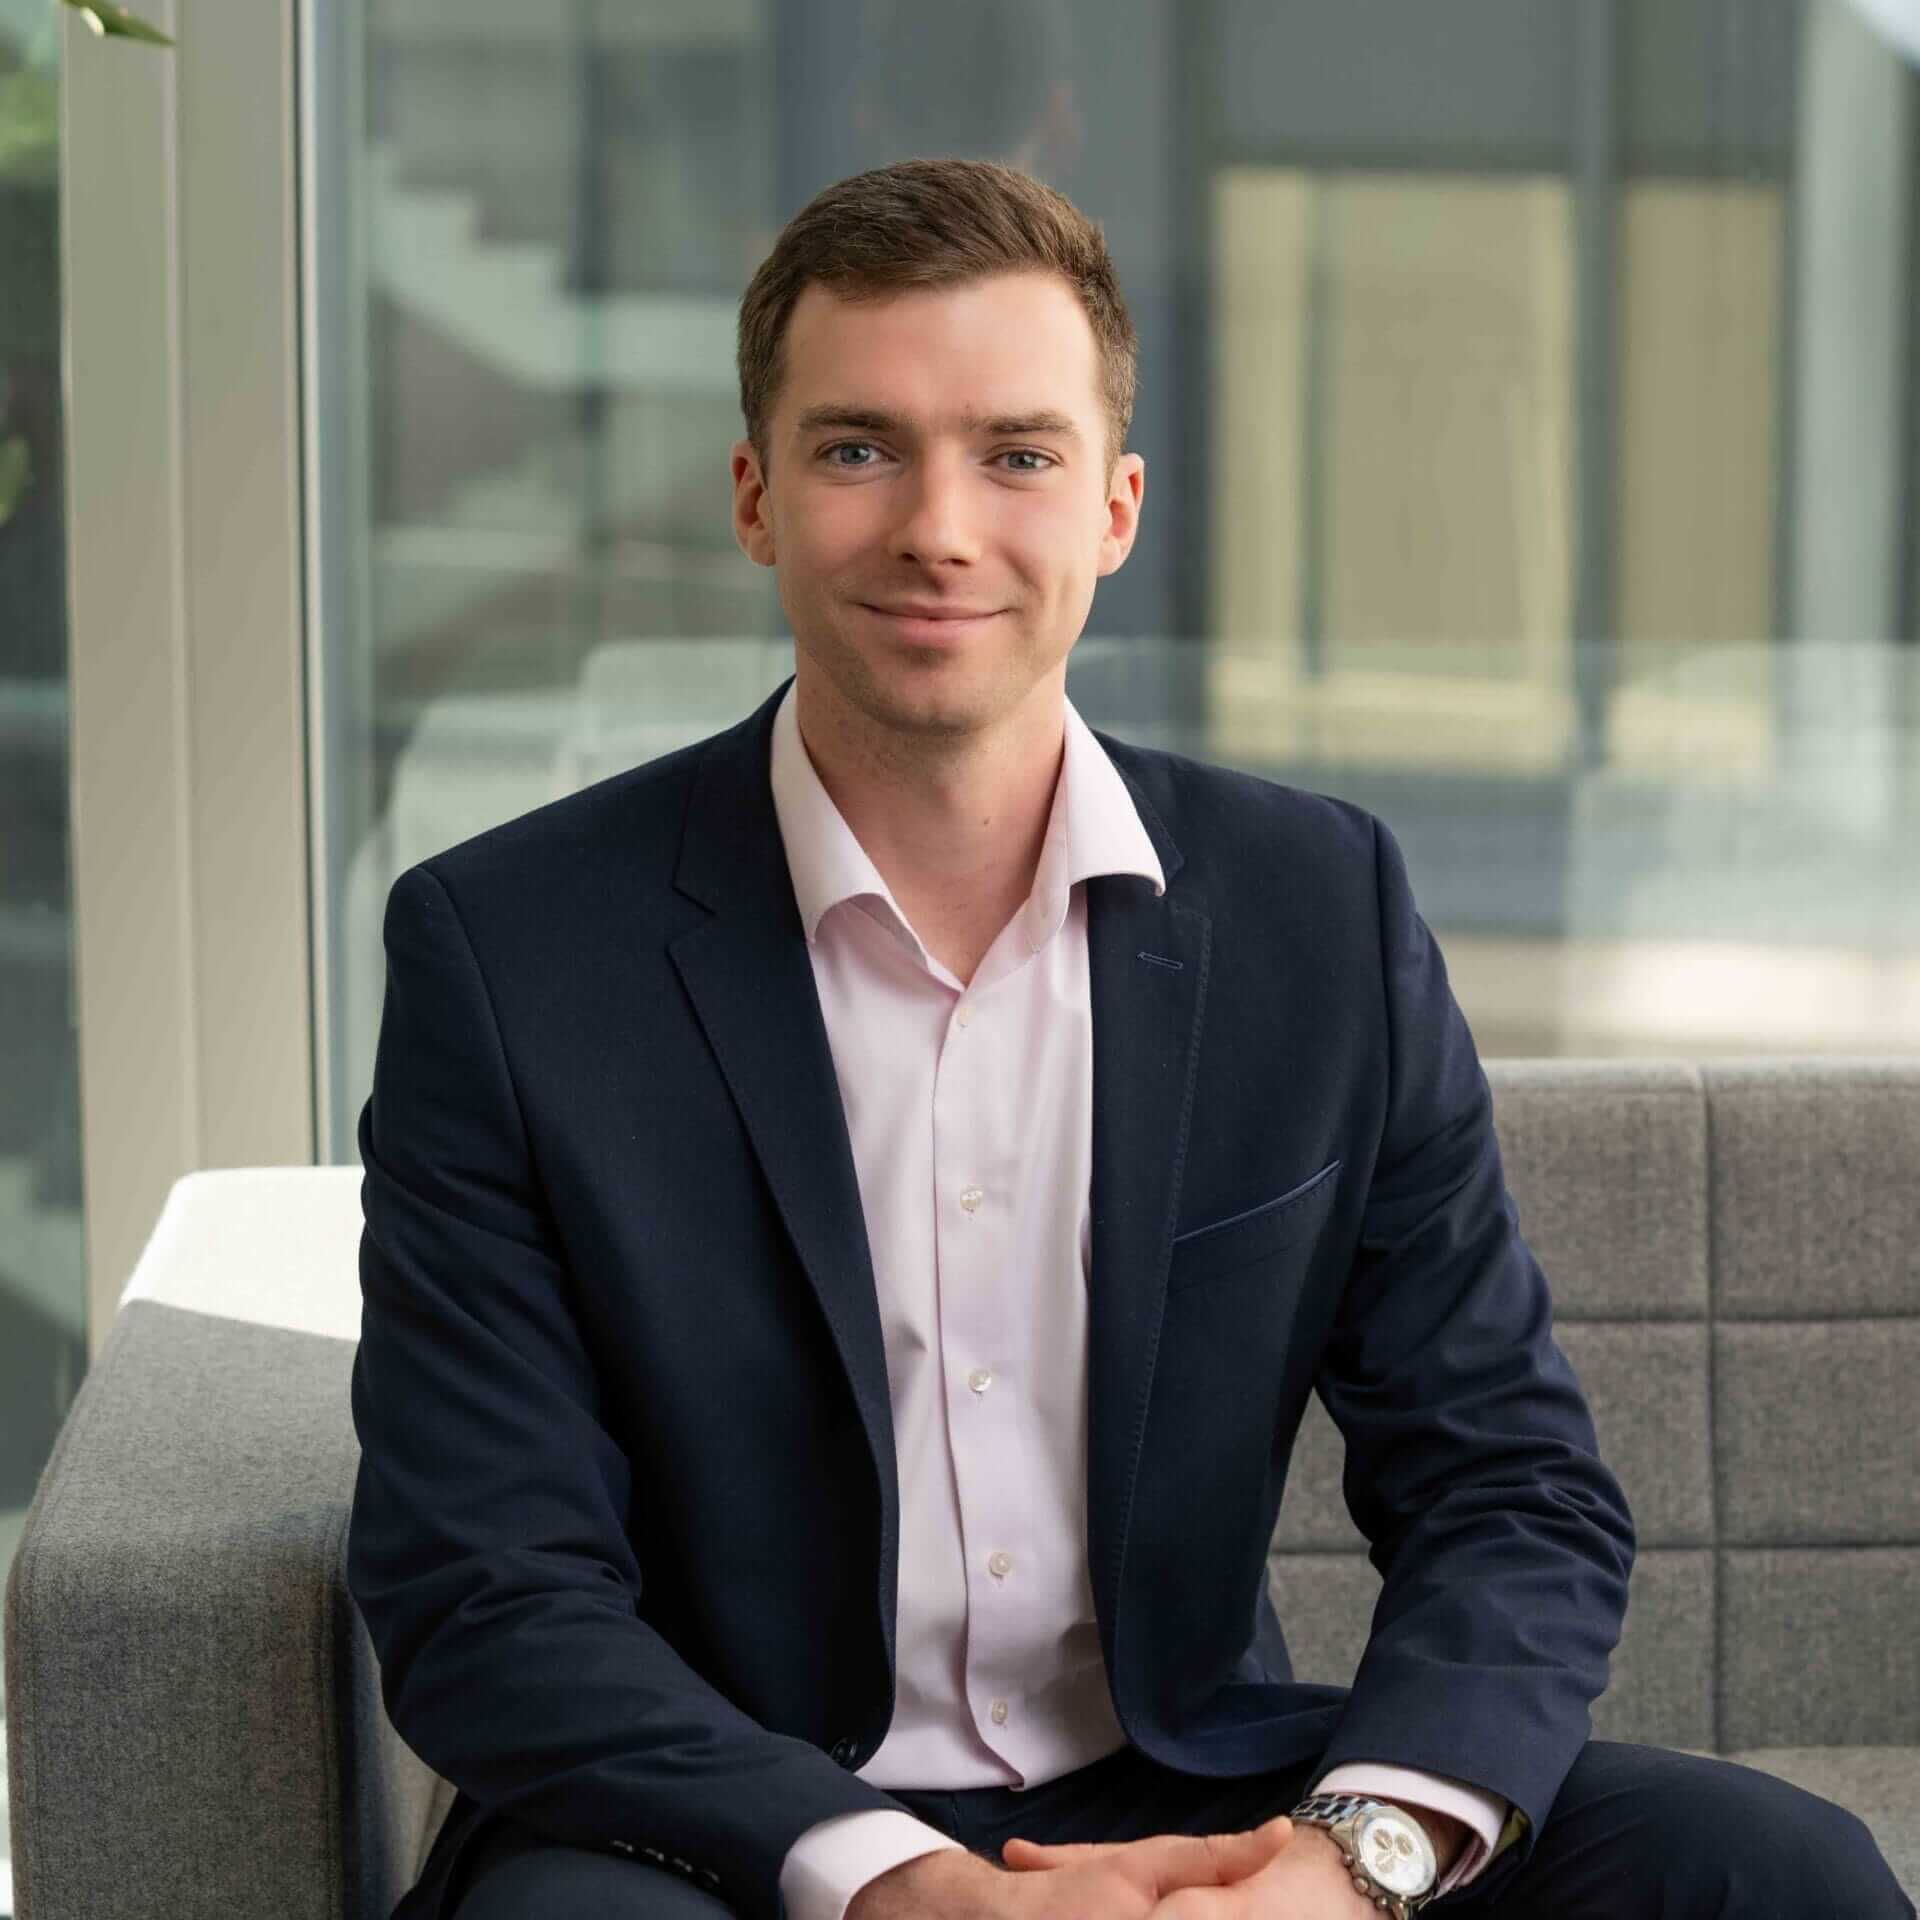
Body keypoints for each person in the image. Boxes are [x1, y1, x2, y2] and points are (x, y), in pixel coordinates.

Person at [346, 157, 1914, 1920]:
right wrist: (905, 1883)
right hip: (733, 1827)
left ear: (1115, 508)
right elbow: (486, 1589)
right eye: (859, 449)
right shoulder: (512, 952)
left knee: (1777, 1875)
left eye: (1018, 455)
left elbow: (1511, 1488)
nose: (940, 527)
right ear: (755, 497)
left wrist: (1344, 1869)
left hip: (1209, 1785)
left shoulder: (1316, 909)